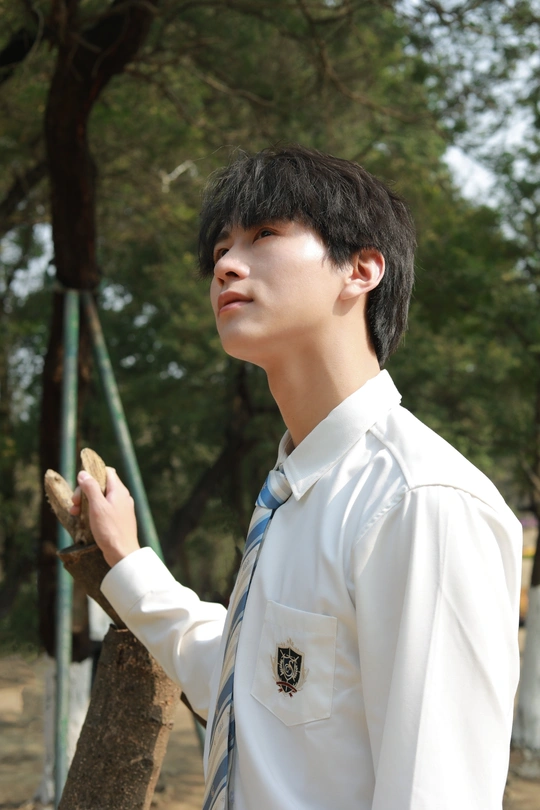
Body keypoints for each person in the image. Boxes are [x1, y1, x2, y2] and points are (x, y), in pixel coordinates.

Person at [72, 145, 522, 810]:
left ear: (361, 269)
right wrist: (128, 561)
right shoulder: (294, 492)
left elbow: (436, 791)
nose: (226, 265)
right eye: (220, 248)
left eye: (264, 235)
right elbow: (246, 688)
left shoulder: (420, 501)